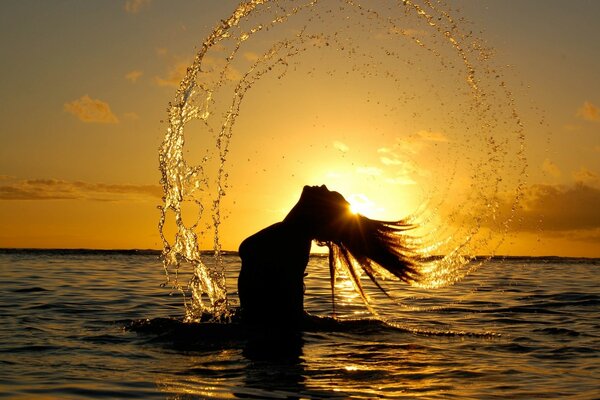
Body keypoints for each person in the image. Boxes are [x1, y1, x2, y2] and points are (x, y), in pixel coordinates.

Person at [237, 185, 420, 326]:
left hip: (272, 356)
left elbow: (288, 315)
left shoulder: (293, 241)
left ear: (321, 214)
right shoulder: (290, 233)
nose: (323, 186)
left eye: (329, 193)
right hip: (265, 351)